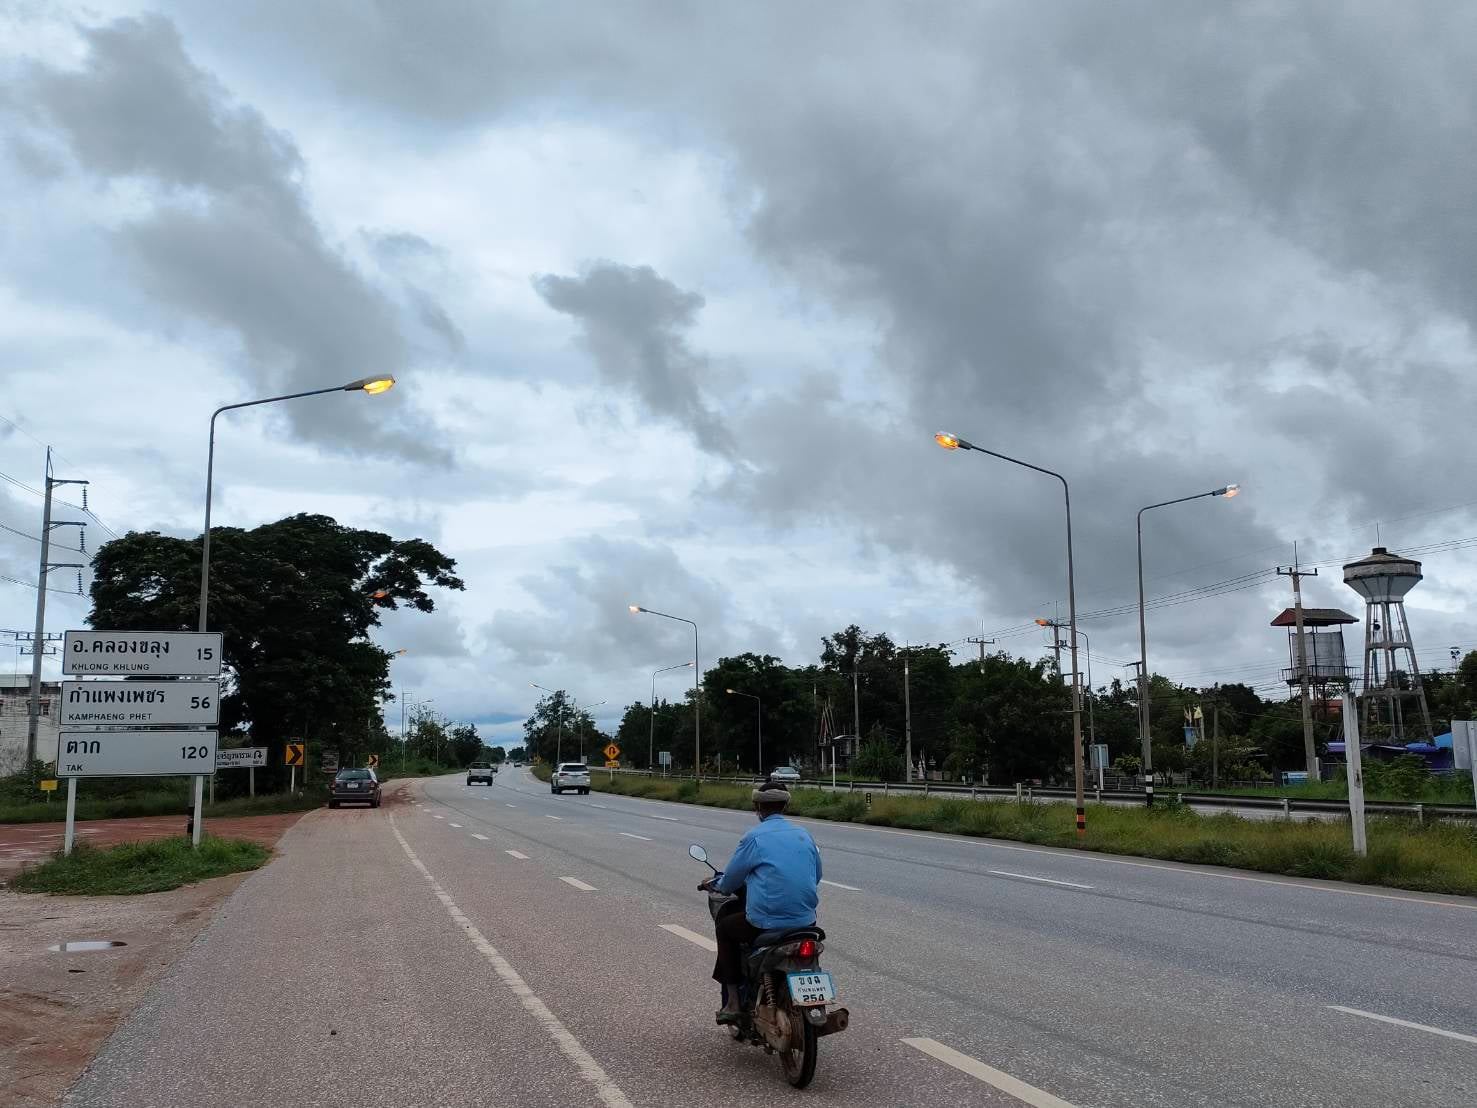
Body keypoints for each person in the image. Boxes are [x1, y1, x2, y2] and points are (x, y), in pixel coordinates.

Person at [708, 778, 822, 1023]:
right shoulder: (804, 835)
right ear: (786, 806)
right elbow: (817, 875)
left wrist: (716, 884)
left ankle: (734, 1003)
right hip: (806, 921)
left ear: (757, 808)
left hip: (765, 923)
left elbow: (729, 882)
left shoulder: (754, 838)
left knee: (725, 929)